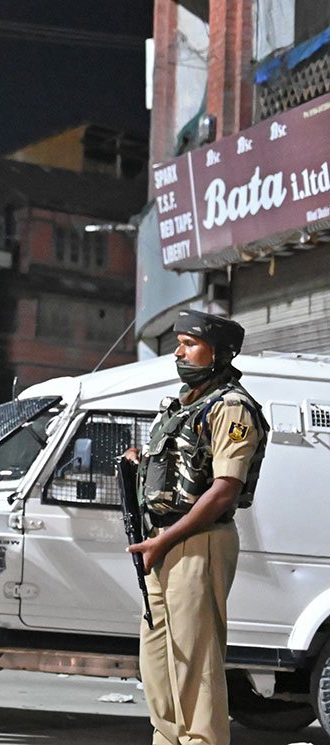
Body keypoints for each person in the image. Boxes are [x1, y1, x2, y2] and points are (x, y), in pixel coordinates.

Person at [125, 309, 267, 745]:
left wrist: (166, 538)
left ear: (220, 353)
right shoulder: (181, 405)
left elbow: (225, 489)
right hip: (164, 543)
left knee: (195, 665)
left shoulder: (232, 407)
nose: (179, 352)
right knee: (159, 664)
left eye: (190, 343)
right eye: (178, 342)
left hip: (197, 542)